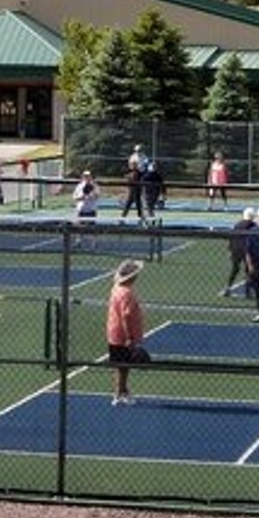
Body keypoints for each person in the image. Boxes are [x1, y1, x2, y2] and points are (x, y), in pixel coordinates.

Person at [106, 258, 146, 406]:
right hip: (123, 336)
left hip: (113, 333)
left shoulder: (116, 288)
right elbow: (126, 315)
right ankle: (120, 393)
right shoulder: (127, 293)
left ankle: (120, 392)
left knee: (121, 366)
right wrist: (130, 337)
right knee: (124, 367)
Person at [223, 207, 256, 298]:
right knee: (248, 270)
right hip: (246, 250)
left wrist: (230, 249)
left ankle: (228, 288)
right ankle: (248, 292)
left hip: (235, 249)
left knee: (234, 269)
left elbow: (231, 237)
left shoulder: (237, 224)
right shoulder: (253, 225)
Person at [72, 170, 100, 249]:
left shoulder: (95, 186)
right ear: (83, 177)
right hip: (81, 210)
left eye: (88, 176)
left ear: (91, 176)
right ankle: (78, 242)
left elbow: (97, 196)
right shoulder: (79, 186)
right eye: (85, 176)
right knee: (79, 227)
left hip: (91, 210)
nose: (86, 177)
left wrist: (92, 195)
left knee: (92, 228)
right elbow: (74, 197)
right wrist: (81, 197)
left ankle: (94, 243)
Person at [120, 158, 145, 223]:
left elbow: (142, 182)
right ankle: (122, 220)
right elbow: (126, 179)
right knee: (126, 207)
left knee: (139, 207)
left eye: (135, 165)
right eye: (132, 165)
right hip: (131, 192)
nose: (133, 166)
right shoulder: (128, 172)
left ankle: (141, 220)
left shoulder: (140, 173)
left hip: (137, 193)